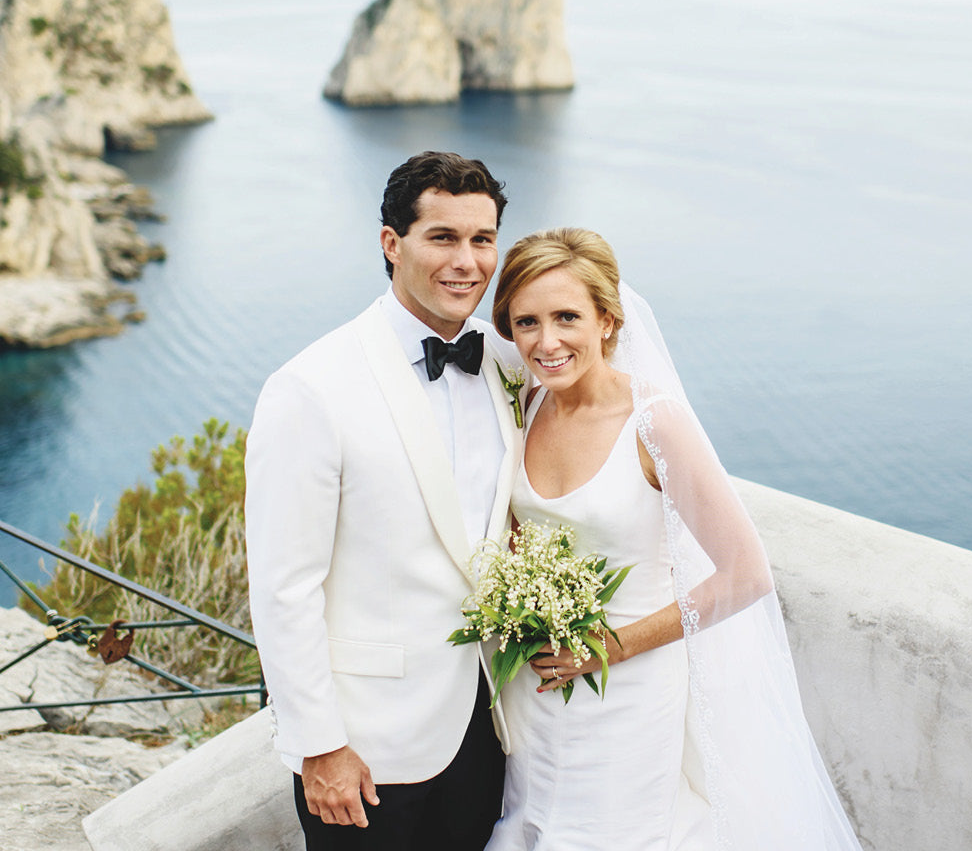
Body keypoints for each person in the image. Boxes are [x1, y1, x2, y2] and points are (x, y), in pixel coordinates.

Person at [485, 227, 863, 850]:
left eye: (567, 318)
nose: (546, 342)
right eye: (526, 323)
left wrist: (608, 648)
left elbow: (746, 575)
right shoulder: (528, 399)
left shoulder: (653, 421)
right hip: (539, 688)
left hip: (626, 691)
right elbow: (528, 530)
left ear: (608, 321)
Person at [245, 152, 526, 851]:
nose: (468, 262)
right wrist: (319, 746)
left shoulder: (511, 364)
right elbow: (285, 589)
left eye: (482, 239)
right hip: (365, 748)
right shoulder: (309, 388)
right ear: (390, 244)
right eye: (443, 238)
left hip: (487, 724)